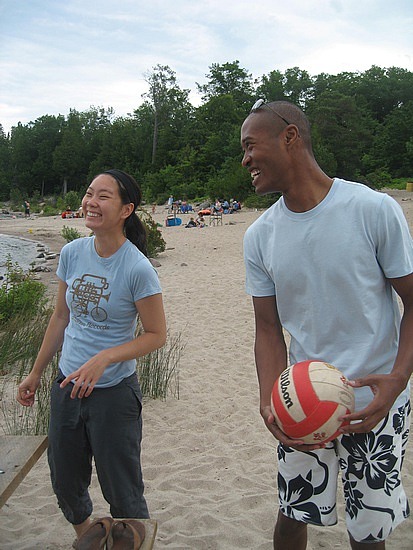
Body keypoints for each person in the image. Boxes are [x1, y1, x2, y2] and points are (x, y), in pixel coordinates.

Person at [241, 100, 413, 550]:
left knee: (367, 533)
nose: (245, 161)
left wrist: (396, 381)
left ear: (290, 137)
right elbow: (266, 327)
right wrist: (269, 400)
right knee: (292, 514)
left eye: (250, 146)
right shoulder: (260, 236)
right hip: (301, 399)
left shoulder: (372, 209)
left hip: (375, 402)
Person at [17, 169, 166, 546]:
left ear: (126, 209)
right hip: (66, 384)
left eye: (103, 196)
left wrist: (107, 358)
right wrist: (35, 373)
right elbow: (61, 316)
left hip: (114, 393)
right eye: (88, 194)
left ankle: (130, 535)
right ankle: (88, 533)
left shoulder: (137, 268)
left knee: (122, 484)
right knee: (65, 477)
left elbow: (156, 335)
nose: (90, 202)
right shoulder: (72, 253)